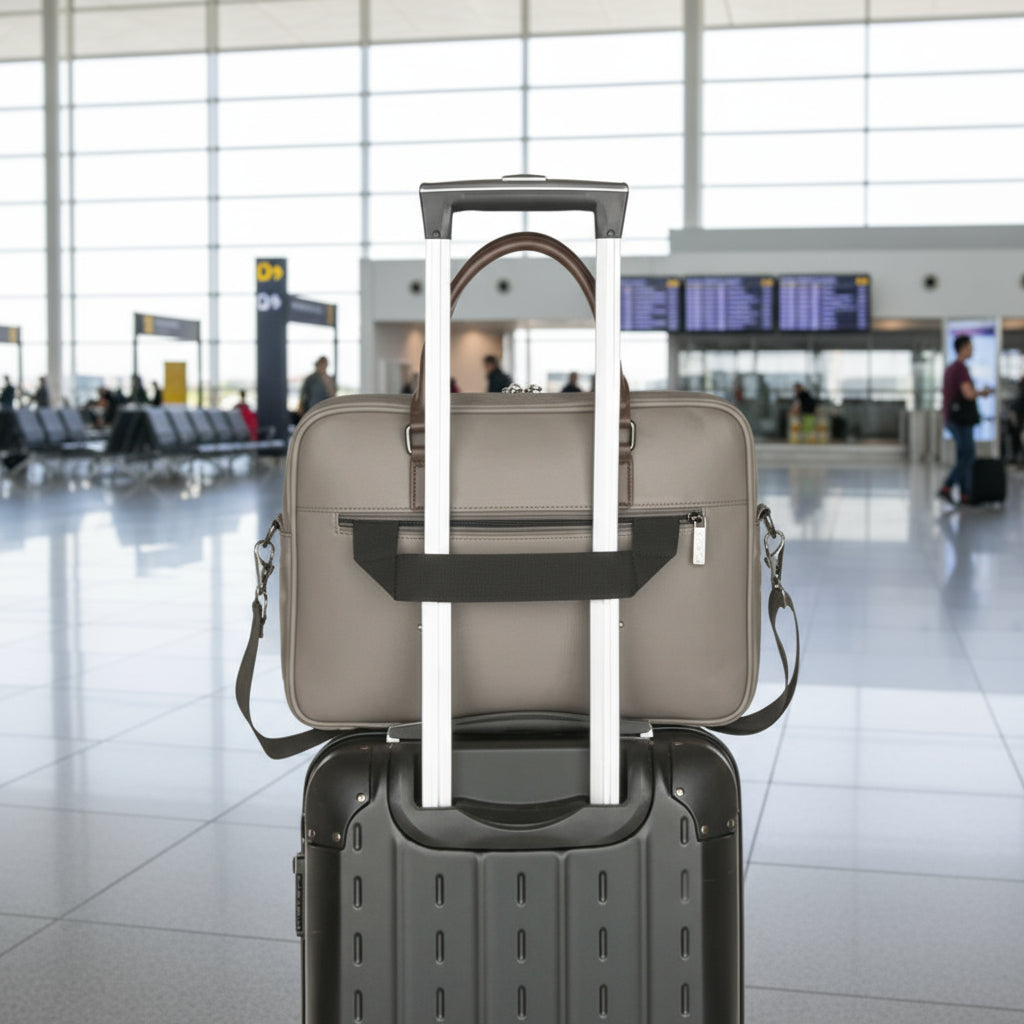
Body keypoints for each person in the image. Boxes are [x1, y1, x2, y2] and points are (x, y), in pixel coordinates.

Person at [938, 334, 993, 506]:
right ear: (963, 348)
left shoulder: (951, 368)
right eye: (970, 347)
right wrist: (982, 393)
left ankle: (965, 494)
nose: (972, 350)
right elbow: (968, 394)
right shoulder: (960, 369)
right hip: (961, 420)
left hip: (952, 418)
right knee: (968, 455)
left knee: (964, 455)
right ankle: (947, 487)